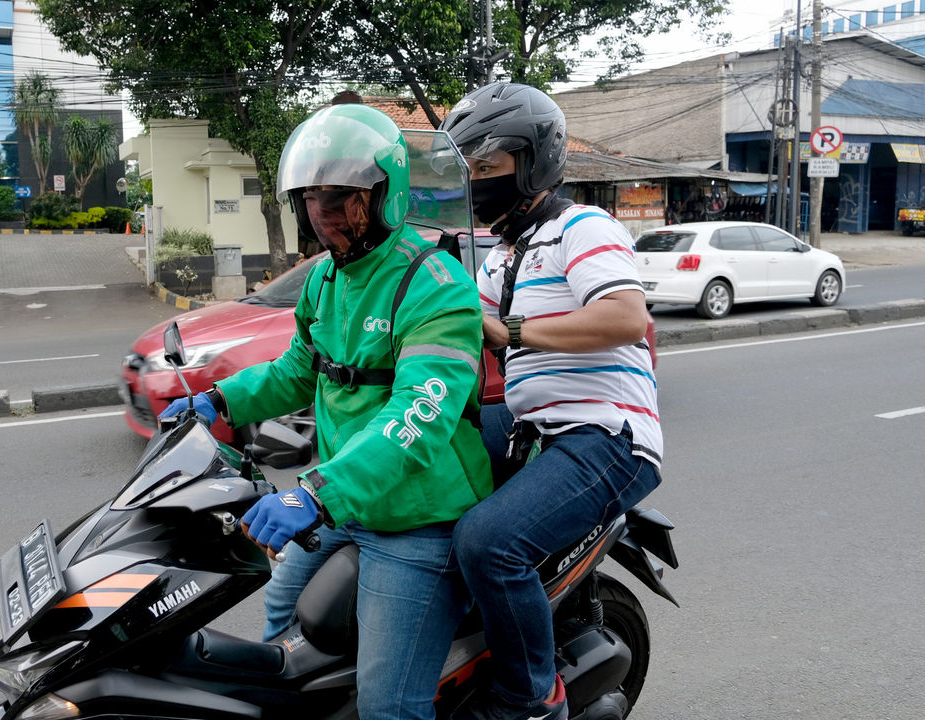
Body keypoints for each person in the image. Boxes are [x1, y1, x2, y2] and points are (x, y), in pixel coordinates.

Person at [162, 103, 492, 720]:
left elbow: (419, 416)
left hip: (417, 519)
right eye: (312, 199)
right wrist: (216, 402)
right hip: (344, 501)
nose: (324, 214)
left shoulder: (435, 283)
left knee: (388, 706)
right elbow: (296, 370)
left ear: (383, 196)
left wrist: (313, 493)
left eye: (342, 198)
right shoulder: (324, 281)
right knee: (280, 640)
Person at [440, 82, 663, 720]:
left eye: (488, 167)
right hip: (528, 425)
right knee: (414, 477)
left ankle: (532, 700)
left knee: (488, 542)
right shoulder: (505, 254)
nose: (478, 182)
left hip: (606, 435)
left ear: (533, 160)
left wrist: (510, 332)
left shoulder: (582, 227)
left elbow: (624, 317)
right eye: (469, 170)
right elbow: (459, 334)